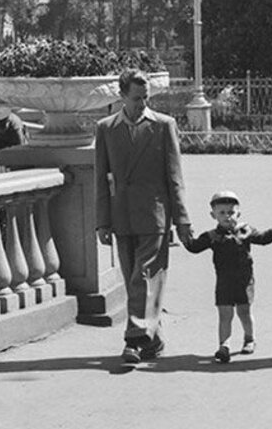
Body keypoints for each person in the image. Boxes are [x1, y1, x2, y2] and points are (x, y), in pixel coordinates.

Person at [93, 69, 193, 365]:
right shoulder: (106, 128)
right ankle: (154, 338)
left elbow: (175, 176)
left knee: (143, 278)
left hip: (155, 216)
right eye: (136, 98)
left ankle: (134, 340)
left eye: (146, 98)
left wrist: (182, 219)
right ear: (122, 96)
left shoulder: (164, 126)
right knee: (136, 282)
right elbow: (101, 177)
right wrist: (102, 220)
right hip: (121, 217)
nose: (141, 103)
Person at [182, 190, 272, 363]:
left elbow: (264, 239)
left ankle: (249, 338)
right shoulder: (212, 236)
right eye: (222, 213)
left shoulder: (245, 231)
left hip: (244, 281)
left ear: (239, 213)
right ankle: (224, 346)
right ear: (213, 215)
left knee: (244, 312)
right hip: (224, 281)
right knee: (225, 314)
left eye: (231, 212)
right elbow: (194, 247)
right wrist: (185, 235)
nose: (227, 216)